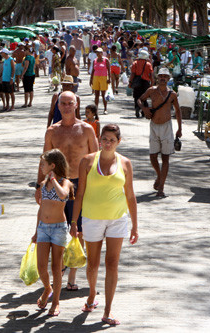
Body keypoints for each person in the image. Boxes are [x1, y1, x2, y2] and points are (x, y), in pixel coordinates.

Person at [70, 124, 138, 326]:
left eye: (112, 140)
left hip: (118, 219)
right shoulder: (88, 161)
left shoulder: (125, 163)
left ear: (119, 142)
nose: (108, 143)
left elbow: (131, 195)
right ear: (100, 140)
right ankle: (92, 294)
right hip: (92, 218)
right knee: (92, 264)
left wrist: (135, 225)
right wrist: (74, 221)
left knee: (112, 263)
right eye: (105, 139)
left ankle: (107, 311)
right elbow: (79, 193)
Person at [37, 91, 98, 292]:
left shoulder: (87, 129)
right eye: (62, 103)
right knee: (58, 227)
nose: (66, 106)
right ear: (58, 106)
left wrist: (97, 186)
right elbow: (44, 161)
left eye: (69, 103)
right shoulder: (52, 131)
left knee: (78, 229)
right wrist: (39, 186)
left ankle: (72, 275)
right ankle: (60, 270)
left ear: (76, 105)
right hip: (59, 183)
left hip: (81, 183)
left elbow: (96, 160)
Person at [32, 149, 74, 317]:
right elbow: (41, 209)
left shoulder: (65, 182)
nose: (40, 167)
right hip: (43, 228)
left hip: (59, 228)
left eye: (43, 164)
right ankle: (47, 288)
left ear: (52, 165)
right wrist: (36, 231)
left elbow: (63, 195)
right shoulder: (42, 184)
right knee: (41, 266)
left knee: (56, 267)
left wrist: (54, 180)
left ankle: (55, 302)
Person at [137, 68, 182, 197]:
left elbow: (178, 111)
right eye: (160, 76)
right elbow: (140, 100)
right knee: (153, 155)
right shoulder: (151, 91)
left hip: (167, 126)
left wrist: (180, 128)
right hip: (154, 126)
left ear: (168, 79)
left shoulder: (172, 94)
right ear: (157, 78)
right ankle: (159, 175)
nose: (163, 78)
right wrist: (144, 109)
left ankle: (161, 187)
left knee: (165, 157)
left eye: (165, 76)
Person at [129, 50, 154, 118]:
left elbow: (133, 74)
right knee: (144, 97)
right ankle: (144, 111)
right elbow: (151, 75)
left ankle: (137, 108)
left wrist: (130, 82)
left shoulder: (135, 63)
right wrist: (152, 84)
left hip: (137, 82)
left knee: (136, 97)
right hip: (146, 83)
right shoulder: (148, 64)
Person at [90, 48, 111, 115]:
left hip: (104, 78)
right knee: (96, 95)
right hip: (96, 78)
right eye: (97, 53)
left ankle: (105, 109)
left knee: (103, 94)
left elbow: (109, 69)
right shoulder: (95, 60)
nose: (98, 54)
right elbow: (93, 70)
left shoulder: (105, 60)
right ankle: (96, 109)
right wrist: (91, 79)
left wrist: (109, 78)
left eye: (99, 52)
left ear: (102, 53)